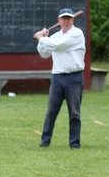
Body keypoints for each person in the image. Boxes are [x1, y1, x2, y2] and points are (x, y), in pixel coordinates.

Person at [33, 8, 86, 149]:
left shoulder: (77, 34)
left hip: (74, 78)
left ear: (73, 19)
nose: (66, 21)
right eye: (63, 18)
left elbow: (59, 47)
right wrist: (42, 40)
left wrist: (42, 38)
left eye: (69, 18)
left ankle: (74, 144)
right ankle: (45, 142)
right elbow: (44, 54)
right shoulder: (55, 36)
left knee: (74, 113)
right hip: (57, 78)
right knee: (51, 112)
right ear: (59, 20)